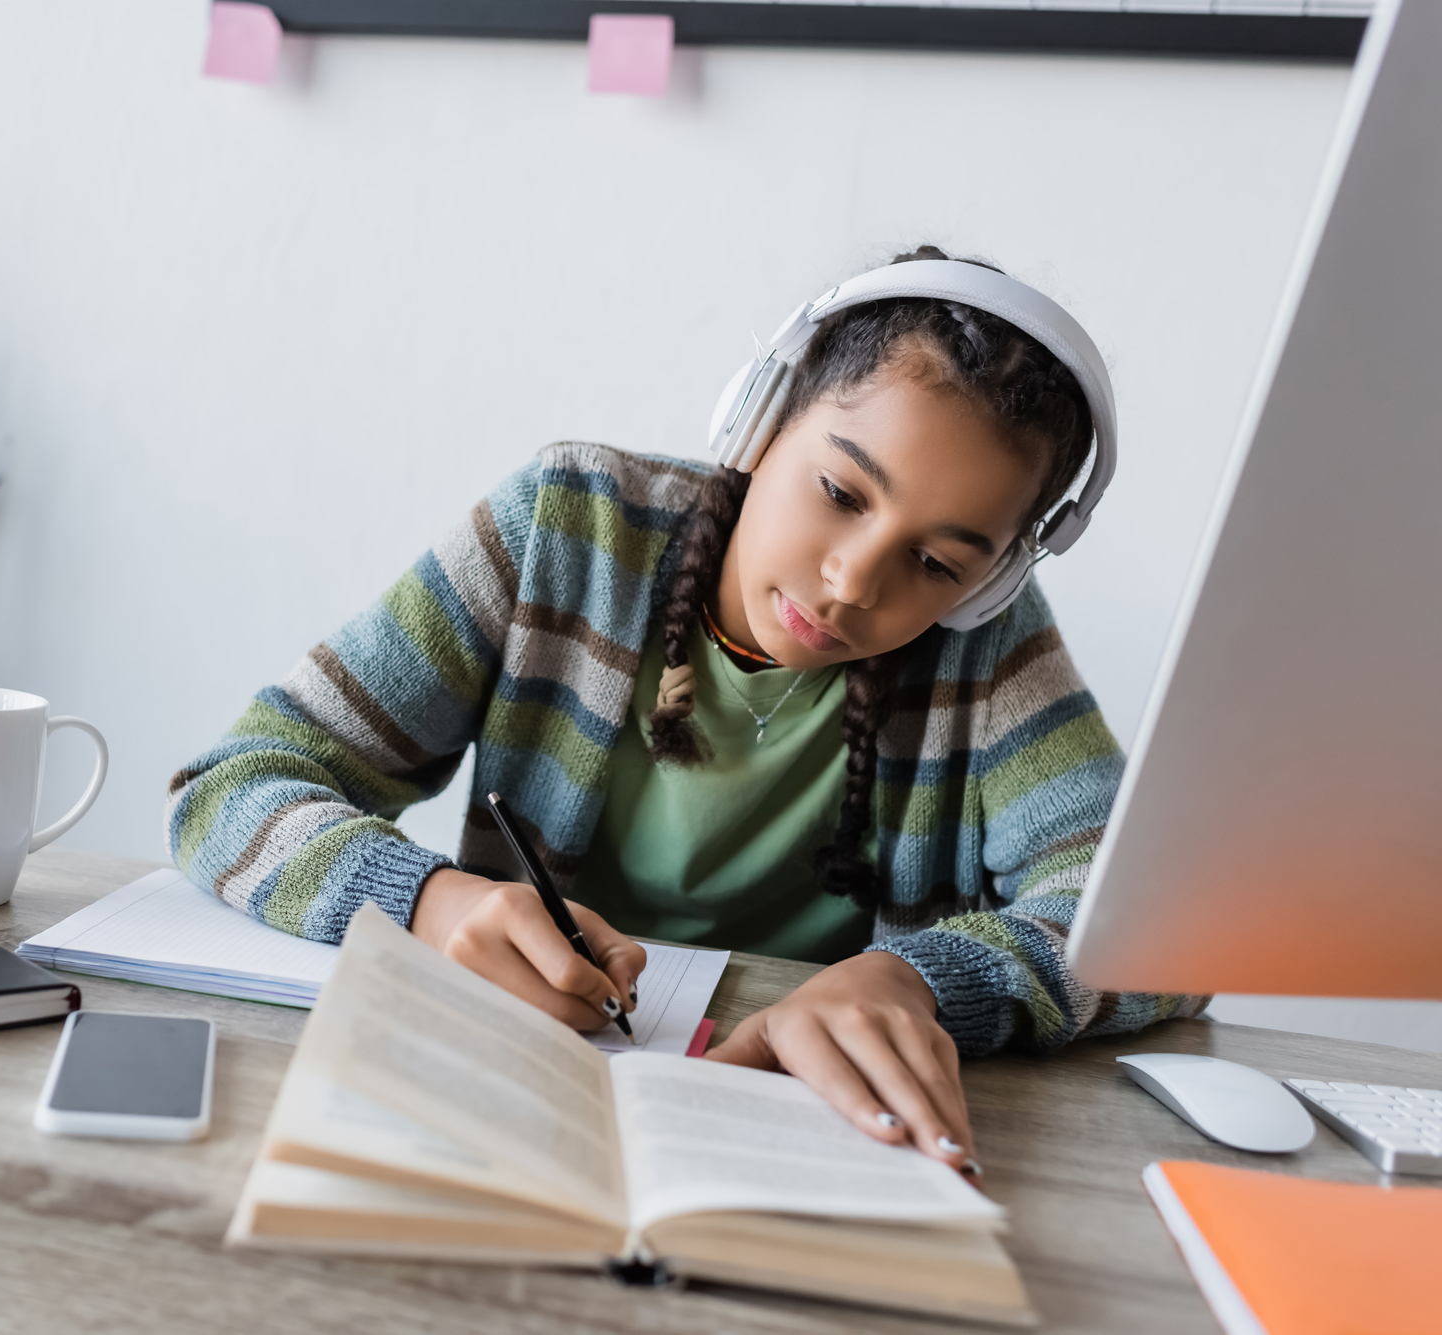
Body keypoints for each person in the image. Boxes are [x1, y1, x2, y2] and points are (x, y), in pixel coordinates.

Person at [166, 246, 1205, 1180]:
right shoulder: (563, 529)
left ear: (985, 583)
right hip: (510, 1096)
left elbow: (1155, 927)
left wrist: (918, 981)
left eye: (934, 563)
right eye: (840, 493)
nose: (850, 583)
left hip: (789, 1137)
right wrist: (428, 903)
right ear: (757, 423)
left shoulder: (986, 643)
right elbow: (233, 785)